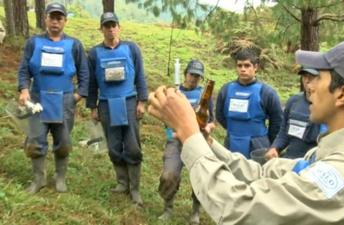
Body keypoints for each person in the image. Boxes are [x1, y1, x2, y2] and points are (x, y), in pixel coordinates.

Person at [148, 39, 344, 224]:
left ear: (343, 94)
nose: (308, 86)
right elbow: (262, 172)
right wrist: (205, 141)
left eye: (317, 78)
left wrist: (189, 133)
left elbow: (241, 209)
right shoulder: (337, 152)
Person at [17, 2, 89, 194]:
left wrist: (78, 95)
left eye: (59, 18)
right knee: (35, 141)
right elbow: (24, 70)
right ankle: (38, 179)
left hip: (65, 100)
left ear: (65, 21)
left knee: (64, 142)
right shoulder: (33, 43)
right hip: (38, 98)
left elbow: (84, 72)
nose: (55, 21)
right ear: (45, 19)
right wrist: (24, 90)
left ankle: (60, 178)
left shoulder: (74, 45)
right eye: (52, 17)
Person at [86, 12, 148, 206]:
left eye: (113, 25)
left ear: (119, 27)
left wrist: (142, 101)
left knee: (132, 146)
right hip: (105, 105)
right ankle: (122, 182)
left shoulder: (132, 48)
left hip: (129, 102)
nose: (110, 28)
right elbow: (92, 82)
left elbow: (140, 77)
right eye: (106, 26)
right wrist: (92, 106)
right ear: (101, 29)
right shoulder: (94, 53)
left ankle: (135, 189)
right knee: (113, 146)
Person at [158, 60, 215, 224]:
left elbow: (212, 120)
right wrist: (171, 132)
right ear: (185, 74)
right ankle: (167, 207)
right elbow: (165, 117)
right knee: (169, 175)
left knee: (199, 177)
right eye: (192, 74)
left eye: (198, 76)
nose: (194, 79)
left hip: (197, 141)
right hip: (175, 141)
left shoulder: (205, 95)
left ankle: (195, 211)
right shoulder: (174, 92)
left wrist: (209, 127)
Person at [216, 48, 283, 158]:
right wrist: (236, 130)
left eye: (247, 65)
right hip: (231, 144)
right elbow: (219, 115)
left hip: (258, 146)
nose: (243, 69)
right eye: (239, 65)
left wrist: (269, 143)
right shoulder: (226, 90)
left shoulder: (267, 92)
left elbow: (277, 121)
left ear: (255, 67)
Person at [266, 67, 326, 159]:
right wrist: (275, 147)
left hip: (311, 163)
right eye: (305, 76)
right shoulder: (294, 101)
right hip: (289, 160)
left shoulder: (327, 107)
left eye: (312, 77)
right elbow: (283, 132)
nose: (307, 81)